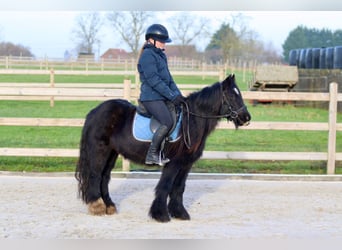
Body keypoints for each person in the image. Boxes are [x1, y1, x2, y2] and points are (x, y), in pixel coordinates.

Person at [137, 23, 185, 166]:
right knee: (167, 121)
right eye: (162, 41)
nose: (164, 45)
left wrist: (179, 96)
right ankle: (152, 154)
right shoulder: (147, 56)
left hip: (161, 96)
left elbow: (169, 80)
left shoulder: (160, 56)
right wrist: (171, 96)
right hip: (150, 97)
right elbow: (154, 80)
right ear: (151, 40)